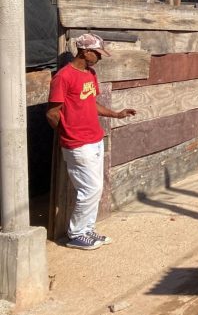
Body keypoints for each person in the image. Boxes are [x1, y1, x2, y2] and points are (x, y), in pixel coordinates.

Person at [46, 34, 137, 250]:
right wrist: (67, 134)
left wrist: (116, 114)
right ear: (85, 52)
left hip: (94, 138)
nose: (100, 57)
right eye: (97, 53)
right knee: (91, 189)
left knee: (95, 189)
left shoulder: (90, 74)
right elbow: (52, 113)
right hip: (77, 143)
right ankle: (76, 234)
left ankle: (87, 230)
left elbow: (91, 103)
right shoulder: (63, 77)